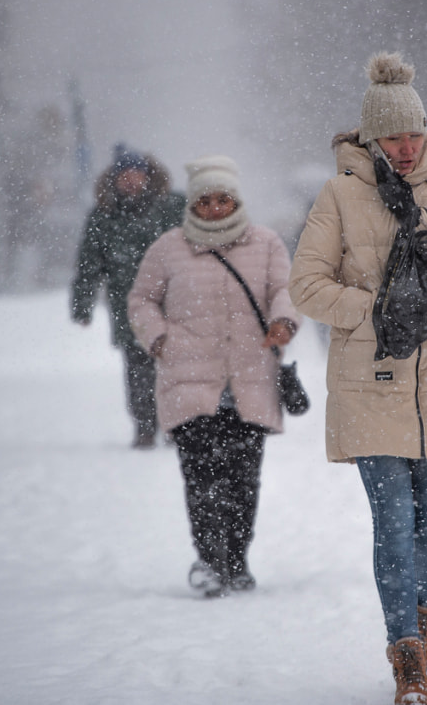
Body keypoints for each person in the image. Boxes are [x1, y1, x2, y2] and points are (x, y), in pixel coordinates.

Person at [288, 52, 427, 705]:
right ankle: (407, 660)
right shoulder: (340, 195)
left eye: (414, 135)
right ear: (371, 137)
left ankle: (422, 628)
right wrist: (372, 307)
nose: (405, 149)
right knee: (396, 525)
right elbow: (306, 286)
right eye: (392, 137)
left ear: (426, 133)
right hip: (370, 383)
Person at [127, 155, 300, 598]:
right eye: (207, 200)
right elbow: (142, 300)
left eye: (224, 199)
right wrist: (159, 338)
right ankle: (209, 561)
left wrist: (283, 320)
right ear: (193, 204)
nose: (216, 208)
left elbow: (285, 289)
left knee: (244, 478)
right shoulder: (168, 247)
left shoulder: (265, 243)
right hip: (189, 380)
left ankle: (237, 560)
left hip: (250, 378)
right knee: (201, 477)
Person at [70, 145, 186, 448]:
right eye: (124, 175)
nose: (131, 180)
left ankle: (176, 425)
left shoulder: (173, 206)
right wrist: (82, 306)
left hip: (173, 301)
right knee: (138, 369)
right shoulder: (103, 215)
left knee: (175, 366)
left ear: (147, 176)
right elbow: (89, 263)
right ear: (115, 178)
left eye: (136, 174)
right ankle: (145, 428)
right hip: (128, 304)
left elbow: (203, 241)